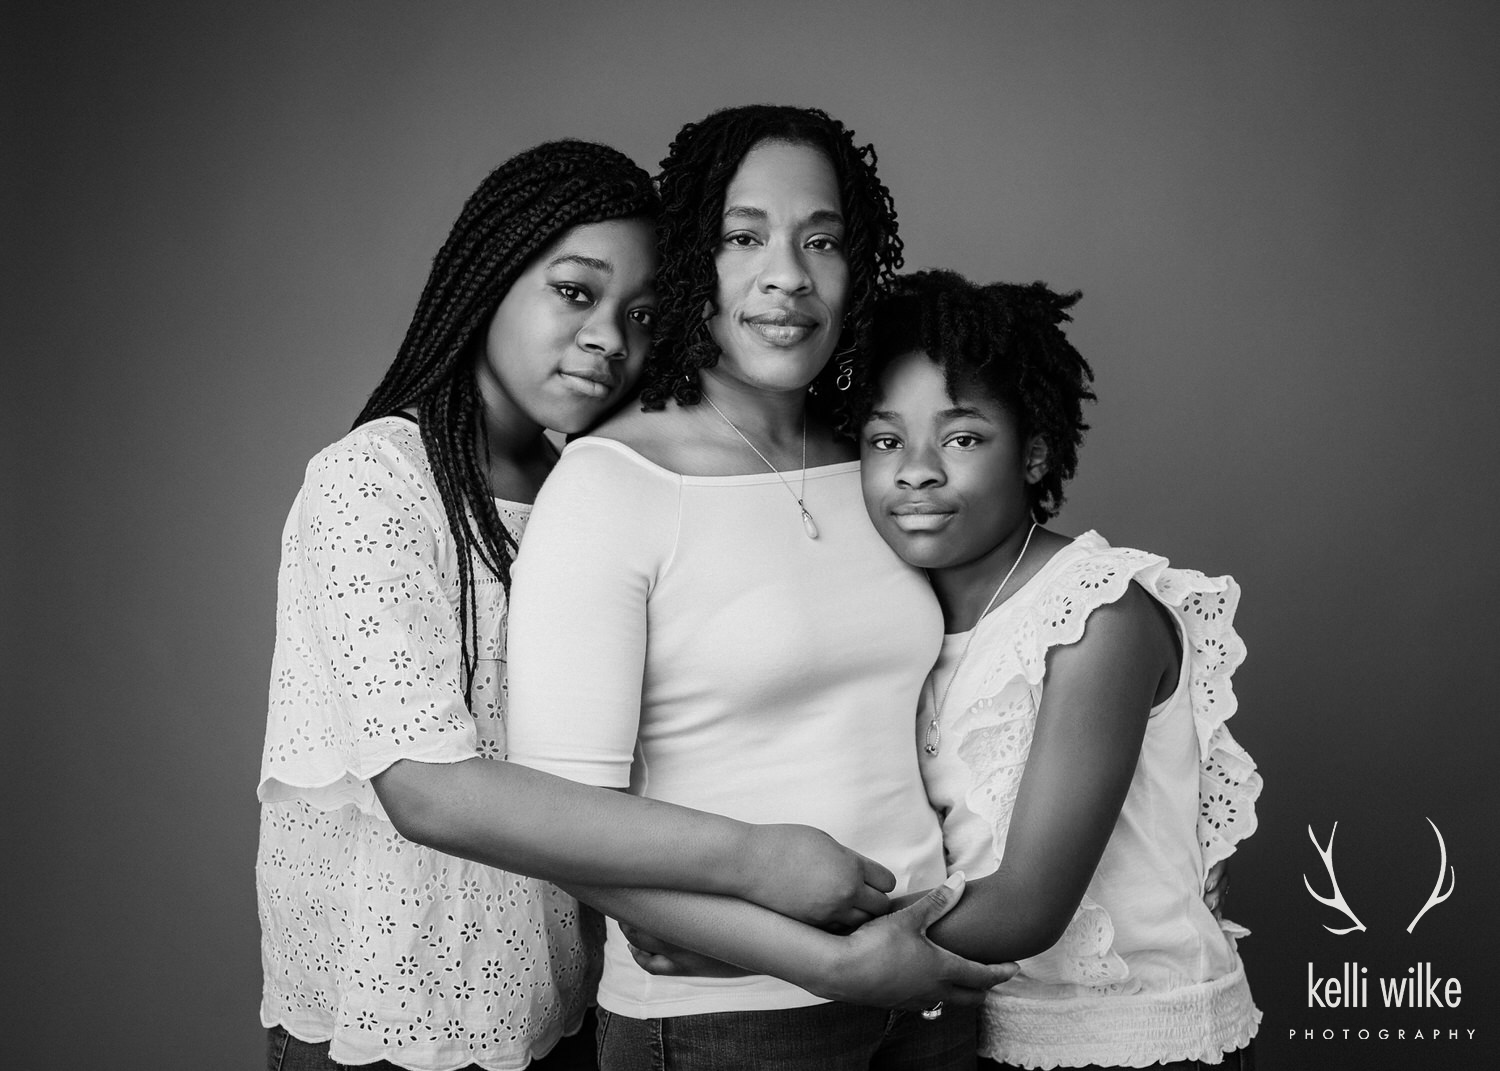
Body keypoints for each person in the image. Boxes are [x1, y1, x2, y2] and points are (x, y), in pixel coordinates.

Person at [255, 139, 928, 1071]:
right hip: (402, 1012)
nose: (611, 337)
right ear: (489, 278)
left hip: (568, 999)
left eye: (642, 313)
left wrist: (716, 933)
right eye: (575, 293)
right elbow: (431, 790)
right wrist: (757, 863)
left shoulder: (588, 478)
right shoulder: (372, 482)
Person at [505, 108, 1009, 1070]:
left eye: (821, 240)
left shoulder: (879, 460)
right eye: (745, 239)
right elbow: (566, 824)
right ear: (694, 260)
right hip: (728, 1022)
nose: (788, 275)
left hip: (932, 986)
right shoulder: (613, 484)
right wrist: (838, 962)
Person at [856, 271, 1262, 1068]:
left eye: (962, 438)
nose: (916, 470)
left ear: (1036, 450)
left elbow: (1025, 907)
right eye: (883, 440)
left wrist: (762, 939)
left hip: (1143, 1042)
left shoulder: (1096, 615)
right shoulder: (899, 621)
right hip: (999, 1036)